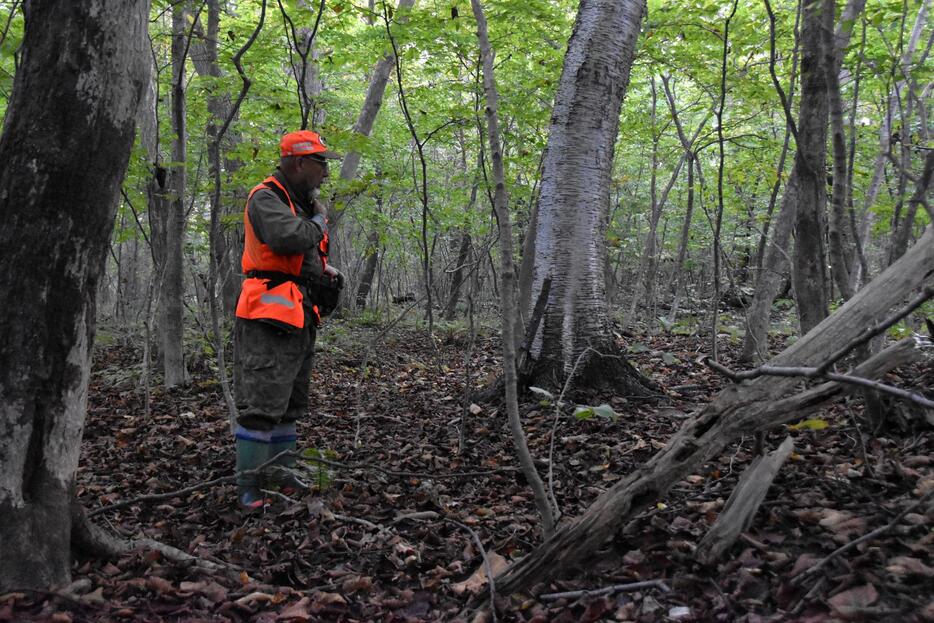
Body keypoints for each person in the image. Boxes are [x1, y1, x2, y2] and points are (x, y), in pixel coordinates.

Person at [233, 129, 343, 509]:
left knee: (290, 405)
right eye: (320, 164)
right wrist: (318, 223)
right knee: (262, 405)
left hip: (299, 314)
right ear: (299, 163)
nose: (324, 174)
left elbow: (301, 253)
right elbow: (286, 238)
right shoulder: (266, 198)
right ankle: (249, 490)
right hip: (268, 316)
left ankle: (281, 478)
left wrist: (322, 271)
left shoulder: (300, 203)